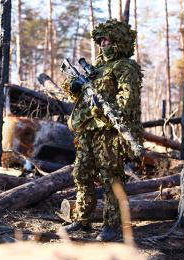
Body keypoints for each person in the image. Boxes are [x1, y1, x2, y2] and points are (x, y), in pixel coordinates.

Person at [60, 19, 143, 241]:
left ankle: (112, 226)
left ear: (117, 40)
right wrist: (74, 88)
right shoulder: (96, 68)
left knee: (111, 177)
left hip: (109, 132)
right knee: (81, 174)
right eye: (100, 40)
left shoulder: (125, 67)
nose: (102, 44)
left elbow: (128, 102)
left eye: (106, 39)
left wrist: (103, 109)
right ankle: (82, 219)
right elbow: (80, 95)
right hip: (87, 130)